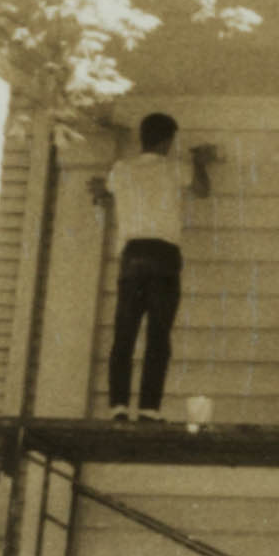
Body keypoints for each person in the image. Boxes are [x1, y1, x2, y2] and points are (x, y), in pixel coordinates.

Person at [92, 111, 219, 419]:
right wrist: (200, 161)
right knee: (158, 335)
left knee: (125, 332)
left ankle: (118, 406)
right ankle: (149, 408)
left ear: (142, 137)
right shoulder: (174, 168)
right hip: (163, 254)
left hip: (133, 253)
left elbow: (104, 195)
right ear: (168, 140)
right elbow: (203, 190)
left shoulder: (121, 170)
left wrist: (100, 189)